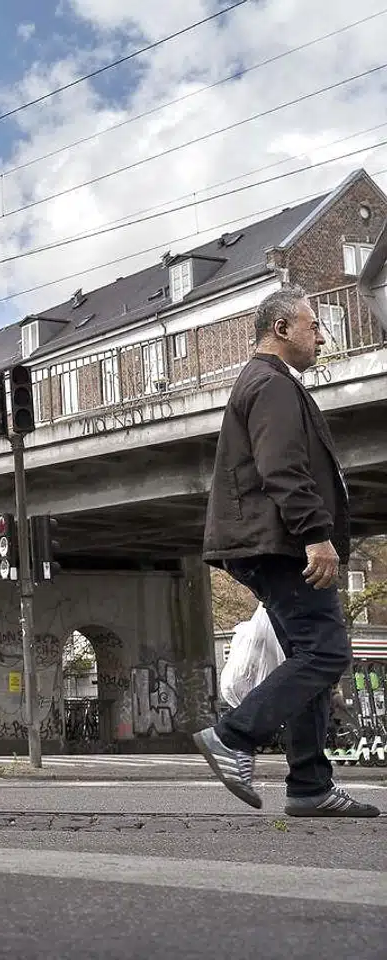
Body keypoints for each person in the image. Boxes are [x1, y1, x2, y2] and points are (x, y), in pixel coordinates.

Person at [196, 285, 378, 817]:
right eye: (313, 326)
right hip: (280, 545)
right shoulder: (271, 384)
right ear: (281, 329)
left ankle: (309, 785)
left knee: (308, 655)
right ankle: (233, 736)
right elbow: (282, 468)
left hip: (271, 542)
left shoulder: (267, 382)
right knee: (326, 652)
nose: (322, 337)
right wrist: (316, 535)